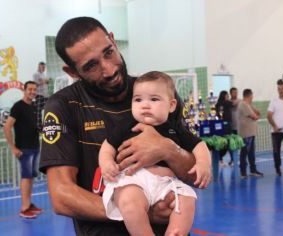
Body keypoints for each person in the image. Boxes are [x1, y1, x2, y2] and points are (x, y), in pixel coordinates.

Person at [39, 17, 211, 236]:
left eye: (108, 52)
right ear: (72, 72)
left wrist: (167, 149)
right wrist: (138, 210)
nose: (109, 70)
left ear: (113, 40)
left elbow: (196, 175)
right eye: (91, 66)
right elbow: (62, 196)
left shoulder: (156, 94)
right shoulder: (63, 106)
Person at [99, 71, 210, 236]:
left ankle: (175, 232)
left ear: (171, 105)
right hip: (134, 180)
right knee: (129, 203)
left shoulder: (175, 128)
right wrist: (106, 163)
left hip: (167, 183)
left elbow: (199, 145)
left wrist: (202, 163)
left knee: (187, 199)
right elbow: (107, 147)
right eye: (138, 99)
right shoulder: (126, 125)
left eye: (154, 99)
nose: (144, 105)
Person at [3, 81, 43, 219]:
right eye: (30, 89)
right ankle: (24, 208)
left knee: (31, 177)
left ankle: (29, 204)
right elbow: (7, 127)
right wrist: (13, 147)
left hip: (35, 146)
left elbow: (32, 126)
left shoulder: (32, 107)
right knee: (26, 177)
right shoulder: (18, 106)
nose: (32, 91)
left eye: (34, 89)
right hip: (24, 149)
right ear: (24, 90)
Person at [237, 89, 263, 178]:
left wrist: (252, 107)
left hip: (250, 133)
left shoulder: (247, 105)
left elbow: (257, 112)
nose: (252, 98)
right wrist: (258, 116)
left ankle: (253, 170)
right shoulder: (243, 104)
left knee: (251, 153)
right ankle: (243, 172)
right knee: (244, 153)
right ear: (249, 95)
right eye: (252, 96)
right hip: (246, 134)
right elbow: (255, 116)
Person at [215, 90, 233, 166]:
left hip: (222, 126)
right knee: (225, 143)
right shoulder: (226, 103)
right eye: (227, 95)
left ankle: (222, 160)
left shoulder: (218, 104)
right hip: (224, 126)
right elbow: (234, 103)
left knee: (225, 144)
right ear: (224, 96)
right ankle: (220, 159)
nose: (228, 96)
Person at [33, 61, 50, 130]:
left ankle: (46, 124)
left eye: (44, 67)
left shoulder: (44, 74)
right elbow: (35, 84)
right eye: (42, 67)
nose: (44, 68)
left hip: (45, 95)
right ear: (39, 66)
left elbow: (46, 82)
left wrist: (47, 81)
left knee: (48, 110)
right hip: (39, 95)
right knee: (38, 112)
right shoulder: (36, 74)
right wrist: (43, 81)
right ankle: (38, 127)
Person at [229, 87, 241, 166]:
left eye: (236, 92)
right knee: (231, 144)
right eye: (234, 92)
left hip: (239, 127)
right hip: (231, 127)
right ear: (231, 93)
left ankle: (239, 159)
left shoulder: (240, 101)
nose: (235, 94)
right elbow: (233, 104)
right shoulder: (228, 102)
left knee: (239, 143)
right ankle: (232, 159)